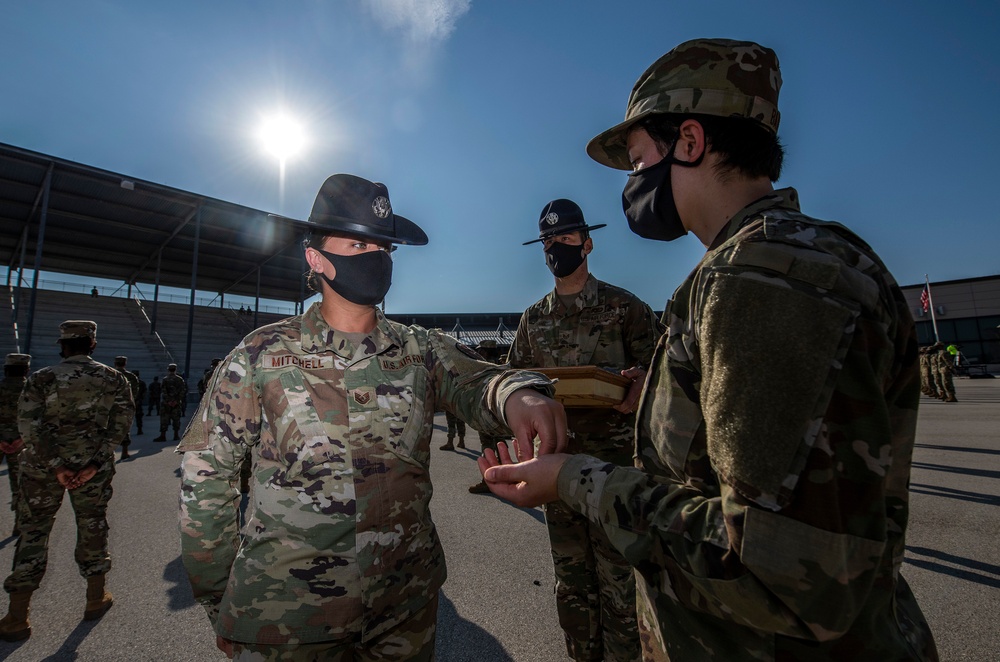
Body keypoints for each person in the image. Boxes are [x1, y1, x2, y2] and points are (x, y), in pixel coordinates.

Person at [480, 38, 938, 661]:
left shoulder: (762, 278)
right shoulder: (805, 257)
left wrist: (572, 477)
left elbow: (776, 568)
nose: (635, 182)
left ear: (689, 143)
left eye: (639, 162)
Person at [178, 173, 567, 661]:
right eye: (358, 242)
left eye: (384, 246)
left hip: (403, 610)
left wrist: (519, 394)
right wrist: (220, 600)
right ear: (316, 258)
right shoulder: (260, 356)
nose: (376, 257)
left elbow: (475, 379)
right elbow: (206, 482)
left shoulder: (418, 348)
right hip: (289, 618)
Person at [506, 197, 661, 661]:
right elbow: (513, 377)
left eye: (566, 239)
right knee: (572, 582)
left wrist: (643, 380)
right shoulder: (533, 319)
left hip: (614, 470)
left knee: (619, 582)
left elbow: (666, 371)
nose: (556, 247)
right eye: (549, 241)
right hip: (557, 465)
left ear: (587, 244)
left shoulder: (625, 307)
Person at [0, 321, 133, 641]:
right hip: (92, 468)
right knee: (93, 525)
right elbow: (121, 424)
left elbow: (28, 426)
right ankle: (94, 598)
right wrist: (95, 462)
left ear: (63, 346)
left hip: (42, 468)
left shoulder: (40, 378)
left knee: (33, 531)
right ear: (93, 344)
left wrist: (57, 465)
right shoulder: (114, 378)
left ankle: (17, 615)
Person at [467, 339, 512, 494]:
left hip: (486, 413)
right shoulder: (502, 367)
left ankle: (488, 480)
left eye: (480, 350)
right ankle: (506, 476)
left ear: (485, 351)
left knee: (487, 445)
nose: (478, 353)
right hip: (499, 413)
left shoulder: (484, 368)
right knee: (500, 444)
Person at [0, 353, 31, 537]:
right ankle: (18, 524)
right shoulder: (31, 390)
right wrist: (22, 439)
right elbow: (37, 419)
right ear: (26, 369)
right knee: (19, 484)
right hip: (20, 442)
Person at [113, 357, 143, 457]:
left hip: (110, 406)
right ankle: (124, 451)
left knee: (107, 427)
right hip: (125, 406)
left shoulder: (109, 374)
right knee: (125, 428)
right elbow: (135, 392)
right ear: (125, 363)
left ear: (115, 363)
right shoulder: (131, 376)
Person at [153, 364, 186, 442]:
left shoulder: (165, 379)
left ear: (168, 369)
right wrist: (176, 401)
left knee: (164, 419)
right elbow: (182, 391)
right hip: (176, 403)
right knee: (176, 418)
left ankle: (163, 435)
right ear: (175, 369)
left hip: (166, 403)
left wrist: (168, 401)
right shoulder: (180, 379)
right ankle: (176, 435)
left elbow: (163, 391)